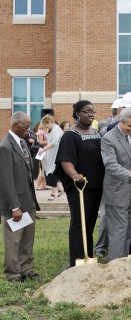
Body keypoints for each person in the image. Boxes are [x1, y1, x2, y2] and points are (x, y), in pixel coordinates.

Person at [56, 100, 104, 267]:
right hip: (80, 187)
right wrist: (75, 175)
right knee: (79, 222)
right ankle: (76, 261)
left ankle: (87, 256)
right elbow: (65, 160)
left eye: (92, 111)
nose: (90, 114)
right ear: (77, 114)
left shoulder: (97, 133)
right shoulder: (70, 135)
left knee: (90, 223)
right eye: (86, 111)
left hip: (96, 185)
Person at [0, 112, 40, 282]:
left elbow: (33, 174)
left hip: (28, 200)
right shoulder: (5, 146)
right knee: (14, 240)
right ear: (15, 125)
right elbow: (6, 180)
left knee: (27, 239)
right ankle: (13, 273)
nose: (28, 129)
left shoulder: (23, 142)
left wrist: (35, 153)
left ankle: (26, 269)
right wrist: (14, 206)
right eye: (25, 126)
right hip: (15, 203)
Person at [101, 108, 131, 260]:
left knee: (128, 229)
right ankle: (116, 264)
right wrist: (130, 174)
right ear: (120, 121)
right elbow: (110, 164)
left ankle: (124, 260)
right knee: (119, 230)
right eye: (129, 126)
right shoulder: (108, 139)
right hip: (117, 192)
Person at [37, 115, 64, 201]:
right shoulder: (54, 130)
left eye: (46, 125)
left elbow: (54, 143)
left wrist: (44, 149)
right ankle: (58, 190)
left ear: (50, 122)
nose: (46, 127)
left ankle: (54, 193)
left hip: (54, 155)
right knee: (51, 174)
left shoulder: (56, 130)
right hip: (52, 155)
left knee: (52, 174)